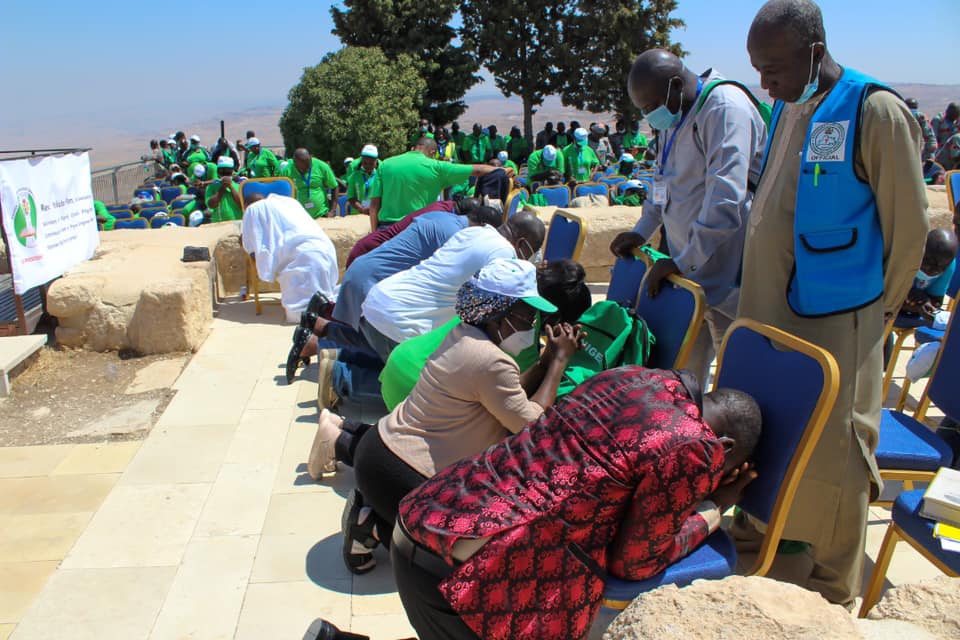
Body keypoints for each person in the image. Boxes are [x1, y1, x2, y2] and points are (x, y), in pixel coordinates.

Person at [306, 366, 761, 640]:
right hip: (464, 570)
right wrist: (711, 507)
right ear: (721, 443)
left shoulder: (639, 378)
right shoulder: (693, 446)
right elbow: (635, 560)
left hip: (430, 516)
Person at [733, 0, 929, 607]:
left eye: (775, 67)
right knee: (775, 434)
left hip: (838, 321)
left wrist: (875, 318)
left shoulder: (876, 110)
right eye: (758, 69)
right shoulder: (790, 105)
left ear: (815, 51)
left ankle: (831, 584)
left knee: (837, 451)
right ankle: (762, 534)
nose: (765, 82)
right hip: (771, 314)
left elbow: (909, 231)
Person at [318, 259, 580, 574]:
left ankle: (378, 511)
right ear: (498, 314)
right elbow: (533, 427)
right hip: (400, 476)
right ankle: (373, 526)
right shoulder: (490, 360)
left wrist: (544, 361)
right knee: (455, 564)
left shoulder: (465, 335)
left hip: (380, 449)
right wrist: (559, 362)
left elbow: (506, 398)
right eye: (526, 316)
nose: (531, 324)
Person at [610, 49, 768, 385]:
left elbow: (727, 199)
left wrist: (682, 260)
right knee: (682, 379)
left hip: (731, 277)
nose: (650, 115)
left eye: (651, 105)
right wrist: (642, 231)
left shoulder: (724, 108)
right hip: (690, 275)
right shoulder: (674, 112)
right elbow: (662, 179)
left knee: (734, 382)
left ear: (677, 84)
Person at [287, 200, 502, 386]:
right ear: (484, 228)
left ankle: (317, 327)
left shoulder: (442, 217)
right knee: (384, 350)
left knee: (369, 335)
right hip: (374, 280)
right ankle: (336, 376)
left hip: (367, 266)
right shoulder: (456, 236)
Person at [377, 259, 592, 412]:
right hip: (412, 388)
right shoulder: (521, 327)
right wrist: (557, 360)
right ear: (555, 318)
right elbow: (525, 415)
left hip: (401, 362)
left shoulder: (505, 292)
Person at [360, 211, 545, 350]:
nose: (532, 256)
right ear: (521, 243)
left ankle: (336, 364)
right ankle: (335, 376)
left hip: (381, 298)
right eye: (533, 249)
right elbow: (495, 314)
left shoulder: (474, 232)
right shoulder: (504, 254)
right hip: (401, 322)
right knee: (417, 393)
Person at [367, 137, 507, 230]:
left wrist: (374, 233)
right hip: (415, 228)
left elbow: (374, 205)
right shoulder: (437, 166)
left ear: (412, 149)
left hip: (386, 229)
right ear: (433, 152)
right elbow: (477, 170)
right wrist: (502, 170)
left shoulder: (385, 165)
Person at [241, 193, 339, 323]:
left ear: (246, 206)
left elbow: (252, 246)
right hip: (324, 249)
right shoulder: (288, 202)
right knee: (325, 296)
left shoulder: (253, 210)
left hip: (301, 258)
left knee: (300, 313)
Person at [279, 148, 338, 218]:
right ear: (294, 162)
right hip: (298, 217)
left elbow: (334, 186)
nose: (306, 170)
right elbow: (280, 194)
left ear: (310, 157)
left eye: (308, 166)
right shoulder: (286, 171)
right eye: (302, 168)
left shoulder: (321, 166)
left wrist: (332, 211)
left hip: (321, 215)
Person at [205, 157, 244, 223]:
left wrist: (230, 187)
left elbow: (242, 204)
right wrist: (222, 188)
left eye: (227, 171)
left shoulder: (240, 186)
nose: (225, 173)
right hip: (219, 223)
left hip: (237, 223)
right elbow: (211, 205)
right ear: (218, 171)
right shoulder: (211, 187)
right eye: (222, 170)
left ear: (232, 171)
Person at [345, 145, 379, 216]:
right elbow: (351, 197)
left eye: (371, 163)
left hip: (376, 214)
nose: (368, 165)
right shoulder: (354, 176)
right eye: (365, 163)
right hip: (357, 215)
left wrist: (373, 209)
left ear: (376, 161)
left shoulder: (380, 176)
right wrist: (361, 209)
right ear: (361, 159)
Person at [905, 98, 938, 163]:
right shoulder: (920, 115)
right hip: (917, 148)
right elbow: (929, 135)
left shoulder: (900, 115)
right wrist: (931, 154)